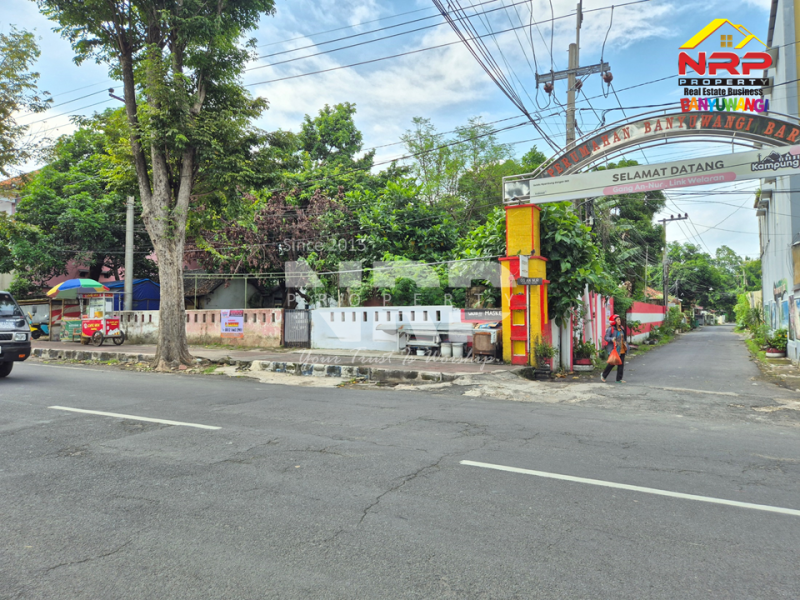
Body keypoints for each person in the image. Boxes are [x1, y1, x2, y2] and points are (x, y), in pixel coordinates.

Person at [601, 314, 627, 383]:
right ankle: (603, 375)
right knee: (612, 363)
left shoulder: (622, 328)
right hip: (614, 349)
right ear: (614, 321)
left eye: (619, 319)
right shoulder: (611, 329)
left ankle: (619, 379)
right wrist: (612, 339)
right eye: (618, 320)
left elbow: (624, 338)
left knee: (621, 364)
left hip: (622, 349)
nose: (619, 321)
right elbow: (606, 338)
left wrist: (626, 344)